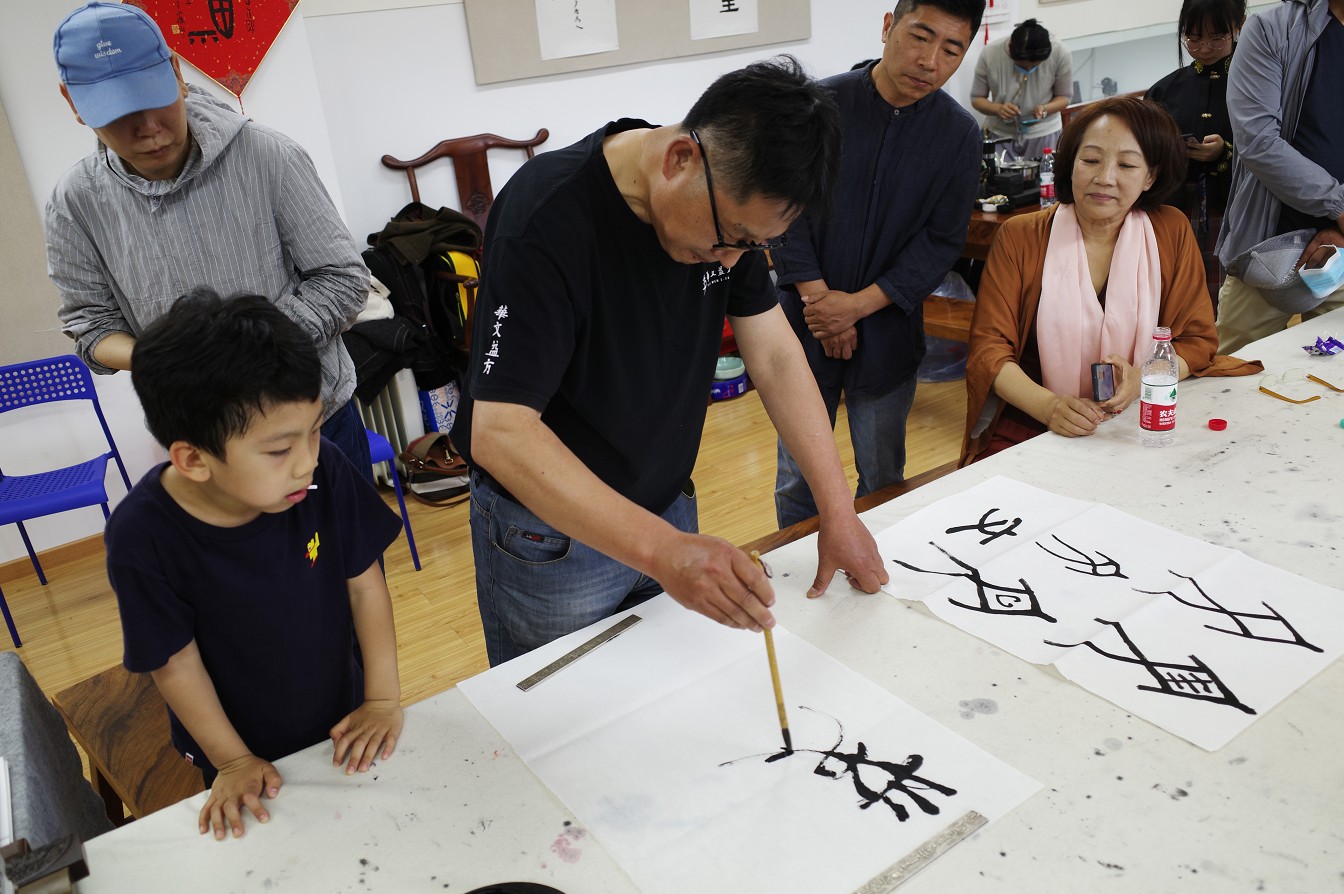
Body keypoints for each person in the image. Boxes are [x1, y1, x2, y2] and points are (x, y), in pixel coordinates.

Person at [451, 56, 889, 666]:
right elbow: (499, 432)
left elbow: (776, 355)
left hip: (668, 505)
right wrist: (663, 552)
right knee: (564, 720)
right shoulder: (546, 219)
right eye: (731, 238)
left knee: (664, 701)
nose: (733, 261)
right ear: (680, 159)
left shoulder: (724, 214)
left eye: (755, 246)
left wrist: (837, 512)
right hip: (552, 537)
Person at [106, 289, 404, 840]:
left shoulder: (325, 472)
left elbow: (365, 585)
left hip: (341, 714)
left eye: (314, 431)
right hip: (233, 744)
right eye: (278, 450)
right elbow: (175, 662)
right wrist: (233, 761)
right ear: (193, 459)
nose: (307, 461)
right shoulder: (142, 537)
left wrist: (382, 697)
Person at [45, 1, 372, 475]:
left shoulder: (267, 156)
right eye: (119, 114)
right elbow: (90, 326)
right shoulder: (75, 202)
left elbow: (343, 279)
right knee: (237, 554)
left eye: (154, 98)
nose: (149, 130)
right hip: (202, 443)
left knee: (341, 551)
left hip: (313, 425)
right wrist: (174, 361)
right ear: (74, 104)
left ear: (176, 72)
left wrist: (247, 353)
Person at [771, 0, 983, 529]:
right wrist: (822, 304)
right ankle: (797, 585)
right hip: (802, 322)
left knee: (884, 472)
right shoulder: (819, 105)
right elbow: (782, 213)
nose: (930, 60)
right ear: (888, 27)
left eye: (950, 48)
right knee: (798, 474)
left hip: (887, 326)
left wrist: (857, 308)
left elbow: (941, 241)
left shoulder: (959, 135)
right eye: (920, 36)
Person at [962, 96, 1257, 465]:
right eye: (1090, 160)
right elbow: (989, 351)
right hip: (1034, 413)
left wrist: (1144, 379)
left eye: (1127, 165)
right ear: (1070, 165)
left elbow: (1198, 341)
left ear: (1150, 176)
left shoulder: (1170, 230)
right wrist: (1050, 406)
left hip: (1139, 410)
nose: (1105, 178)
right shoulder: (1022, 236)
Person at [1214, 0, 1344, 353]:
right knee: (1233, 374)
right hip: (1269, 248)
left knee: (1335, 387)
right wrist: (1339, 206)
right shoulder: (1273, 29)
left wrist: (1338, 225)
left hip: (1343, 252)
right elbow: (1258, 140)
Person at [1146, 0, 1247, 305]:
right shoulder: (1165, 89)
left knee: (1227, 296)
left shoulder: (1256, 83)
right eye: (1193, 39)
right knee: (1176, 292)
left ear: (1238, 27)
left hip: (1234, 205)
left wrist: (1224, 154)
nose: (1204, 48)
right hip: (1176, 205)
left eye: (1216, 38)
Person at [971, 18, 1075, 161]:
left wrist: (1045, 108)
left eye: (1034, 66)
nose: (1028, 70)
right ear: (1009, 47)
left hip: (1044, 134)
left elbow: (1064, 97)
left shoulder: (1060, 53)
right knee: (999, 180)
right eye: (1022, 66)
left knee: (1046, 179)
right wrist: (998, 109)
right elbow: (977, 99)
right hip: (1000, 135)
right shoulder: (990, 54)